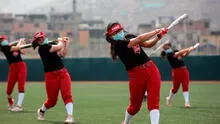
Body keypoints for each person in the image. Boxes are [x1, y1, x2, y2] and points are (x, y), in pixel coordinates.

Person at [105, 22, 167, 124]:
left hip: (151, 69)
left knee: (153, 103)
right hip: (136, 76)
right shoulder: (118, 45)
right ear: (111, 36)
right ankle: (126, 122)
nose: (119, 33)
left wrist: (158, 37)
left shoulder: (129, 36)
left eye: (120, 30)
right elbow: (139, 39)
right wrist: (156, 31)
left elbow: (148, 44)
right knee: (135, 107)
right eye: (115, 32)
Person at [31, 32, 75, 123]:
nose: (41, 40)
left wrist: (66, 44)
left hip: (62, 73)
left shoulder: (51, 45)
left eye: (42, 38)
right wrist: (61, 41)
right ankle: (42, 110)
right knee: (52, 101)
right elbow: (58, 47)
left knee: (67, 95)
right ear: (37, 42)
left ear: (45, 37)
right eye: (39, 39)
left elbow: (62, 54)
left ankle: (70, 116)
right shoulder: (42, 48)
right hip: (50, 76)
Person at [161, 42, 195, 108]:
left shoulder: (174, 51)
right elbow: (178, 54)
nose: (164, 46)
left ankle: (187, 102)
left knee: (185, 86)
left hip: (184, 70)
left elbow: (183, 55)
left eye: (166, 45)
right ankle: (169, 98)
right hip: (176, 72)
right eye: (164, 45)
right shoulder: (168, 53)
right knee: (175, 89)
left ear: (169, 46)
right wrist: (188, 48)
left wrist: (189, 51)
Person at [0, 35, 27, 112]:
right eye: (1, 41)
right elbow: (17, 48)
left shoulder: (11, 45)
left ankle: (19, 106)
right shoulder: (4, 48)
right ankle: (10, 102)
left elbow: (23, 52)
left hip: (21, 66)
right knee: (8, 91)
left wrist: (22, 43)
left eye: (3, 39)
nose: (2, 41)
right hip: (12, 68)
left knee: (21, 86)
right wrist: (21, 41)